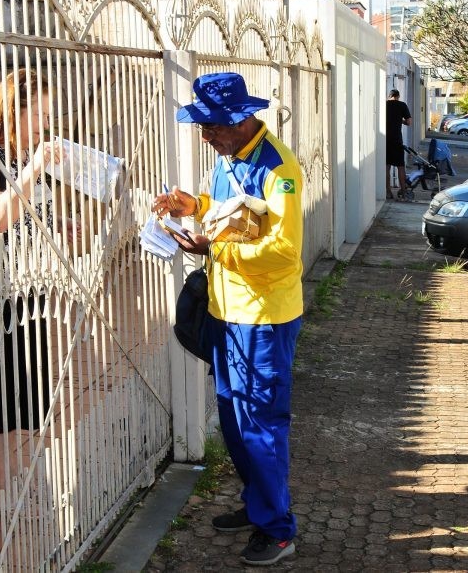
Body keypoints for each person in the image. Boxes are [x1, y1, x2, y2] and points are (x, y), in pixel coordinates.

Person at [153, 71, 303, 567]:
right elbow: (230, 215)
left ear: (241, 120)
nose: (205, 136)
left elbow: (282, 252)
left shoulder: (278, 168)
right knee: (234, 420)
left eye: (212, 126)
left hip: (262, 318)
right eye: (202, 125)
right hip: (226, 309)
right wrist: (194, 206)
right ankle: (259, 504)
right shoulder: (229, 158)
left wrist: (211, 247)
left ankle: (278, 530)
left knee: (259, 423)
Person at [0, 68, 75, 434]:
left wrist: (59, 226)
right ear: (14, 111)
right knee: (1, 414)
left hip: (28, 291)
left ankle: (23, 488)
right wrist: (36, 165)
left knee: (25, 411)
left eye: (49, 116)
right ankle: (2, 488)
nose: (46, 123)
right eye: (39, 115)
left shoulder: (24, 155)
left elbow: (33, 212)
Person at [386, 88, 412, 199]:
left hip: (385, 139)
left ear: (389, 96)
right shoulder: (402, 105)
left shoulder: (385, 105)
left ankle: (388, 192)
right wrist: (400, 120)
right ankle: (404, 192)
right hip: (397, 140)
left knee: (386, 167)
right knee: (400, 166)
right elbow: (409, 122)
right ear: (398, 96)